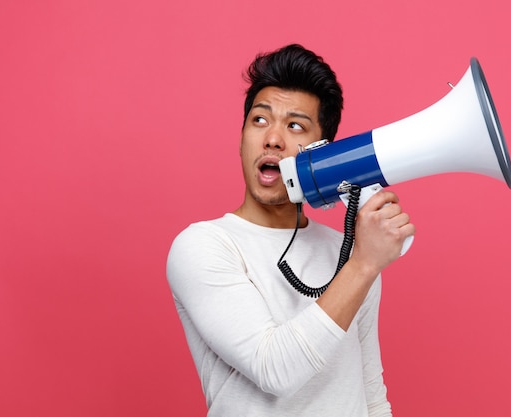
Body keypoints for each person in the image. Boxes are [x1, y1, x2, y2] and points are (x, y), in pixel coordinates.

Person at [166, 44, 415, 417]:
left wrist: (362, 259)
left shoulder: (350, 250)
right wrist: (363, 265)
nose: (273, 139)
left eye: (295, 125)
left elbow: (370, 393)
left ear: (321, 151)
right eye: (260, 120)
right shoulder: (203, 246)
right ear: (241, 138)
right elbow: (274, 368)